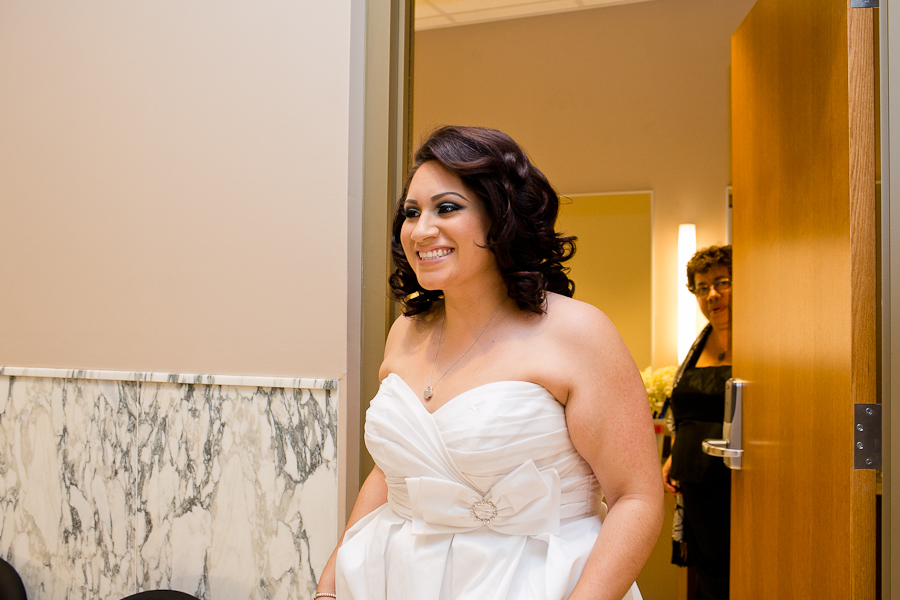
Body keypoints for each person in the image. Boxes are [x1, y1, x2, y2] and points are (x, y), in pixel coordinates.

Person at [316, 126, 663, 600]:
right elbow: (391, 472)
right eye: (411, 212)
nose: (421, 230)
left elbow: (636, 499)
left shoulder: (578, 333)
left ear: (501, 218)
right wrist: (331, 581)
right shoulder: (406, 331)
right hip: (389, 580)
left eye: (447, 207)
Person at [661, 245, 733, 600]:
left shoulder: (762, 343)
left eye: (722, 282)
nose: (713, 295)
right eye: (703, 288)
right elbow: (684, 413)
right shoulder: (698, 345)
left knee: (735, 577)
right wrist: (673, 455)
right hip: (694, 483)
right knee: (707, 576)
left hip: (736, 484)